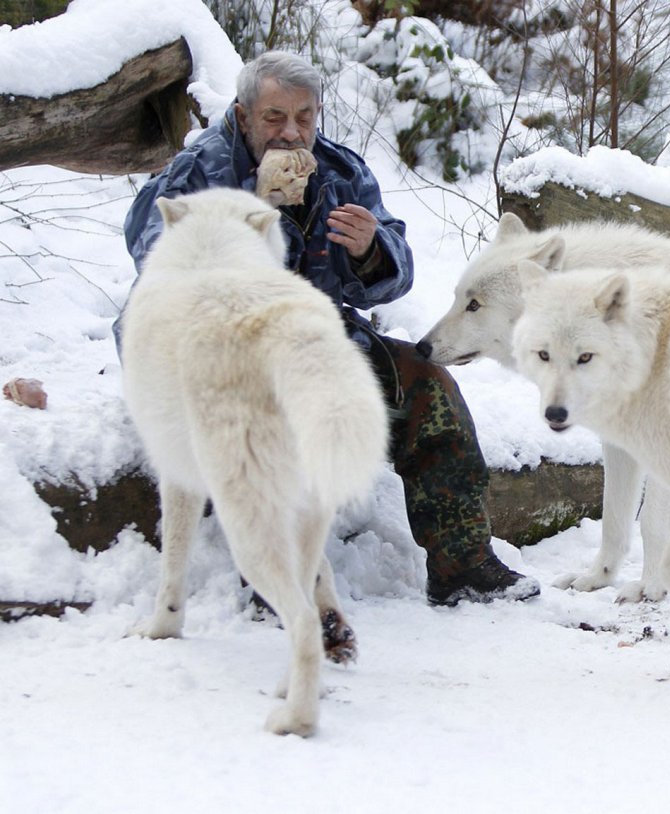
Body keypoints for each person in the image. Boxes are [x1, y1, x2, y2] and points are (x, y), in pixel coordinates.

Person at [119, 50, 539, 607]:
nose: (292, 134)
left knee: (428, 389)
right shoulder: (197, 173)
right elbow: (154, 260)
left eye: (305, 118)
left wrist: (371, 250)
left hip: (317, 339)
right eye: (274, 119)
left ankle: (463, 565)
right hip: (217, 354)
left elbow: (396, 276)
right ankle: (280, 580)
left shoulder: (340, 172)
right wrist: (251, 213)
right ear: (244, 116)